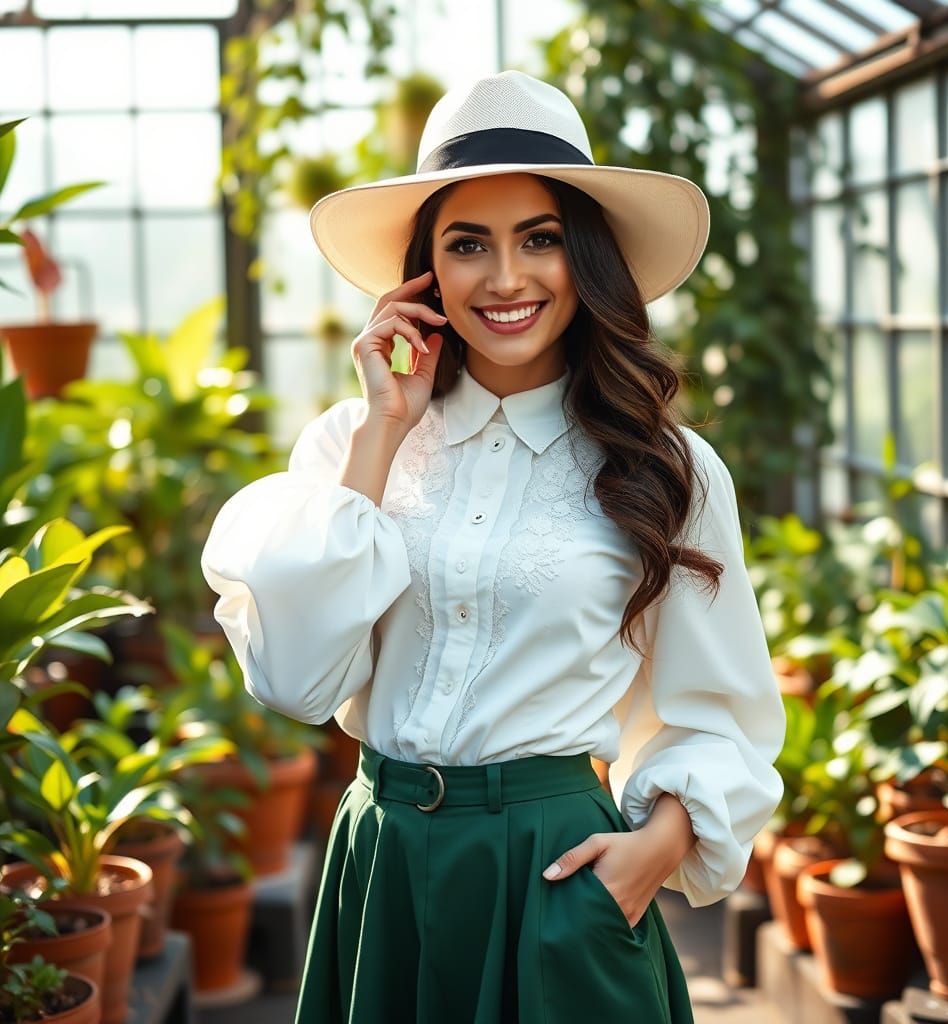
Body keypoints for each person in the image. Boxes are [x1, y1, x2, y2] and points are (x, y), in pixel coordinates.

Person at [200, 69, 786, 1024]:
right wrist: (384, 431)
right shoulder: (349, 449)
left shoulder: (666, 466)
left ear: (585, 259)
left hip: (559, 875)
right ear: (424, 273)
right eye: (468, 244)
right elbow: (297, 684)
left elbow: (719, 707)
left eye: (541, 240)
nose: (506, 279)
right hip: (382, 868)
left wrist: (656, 848)